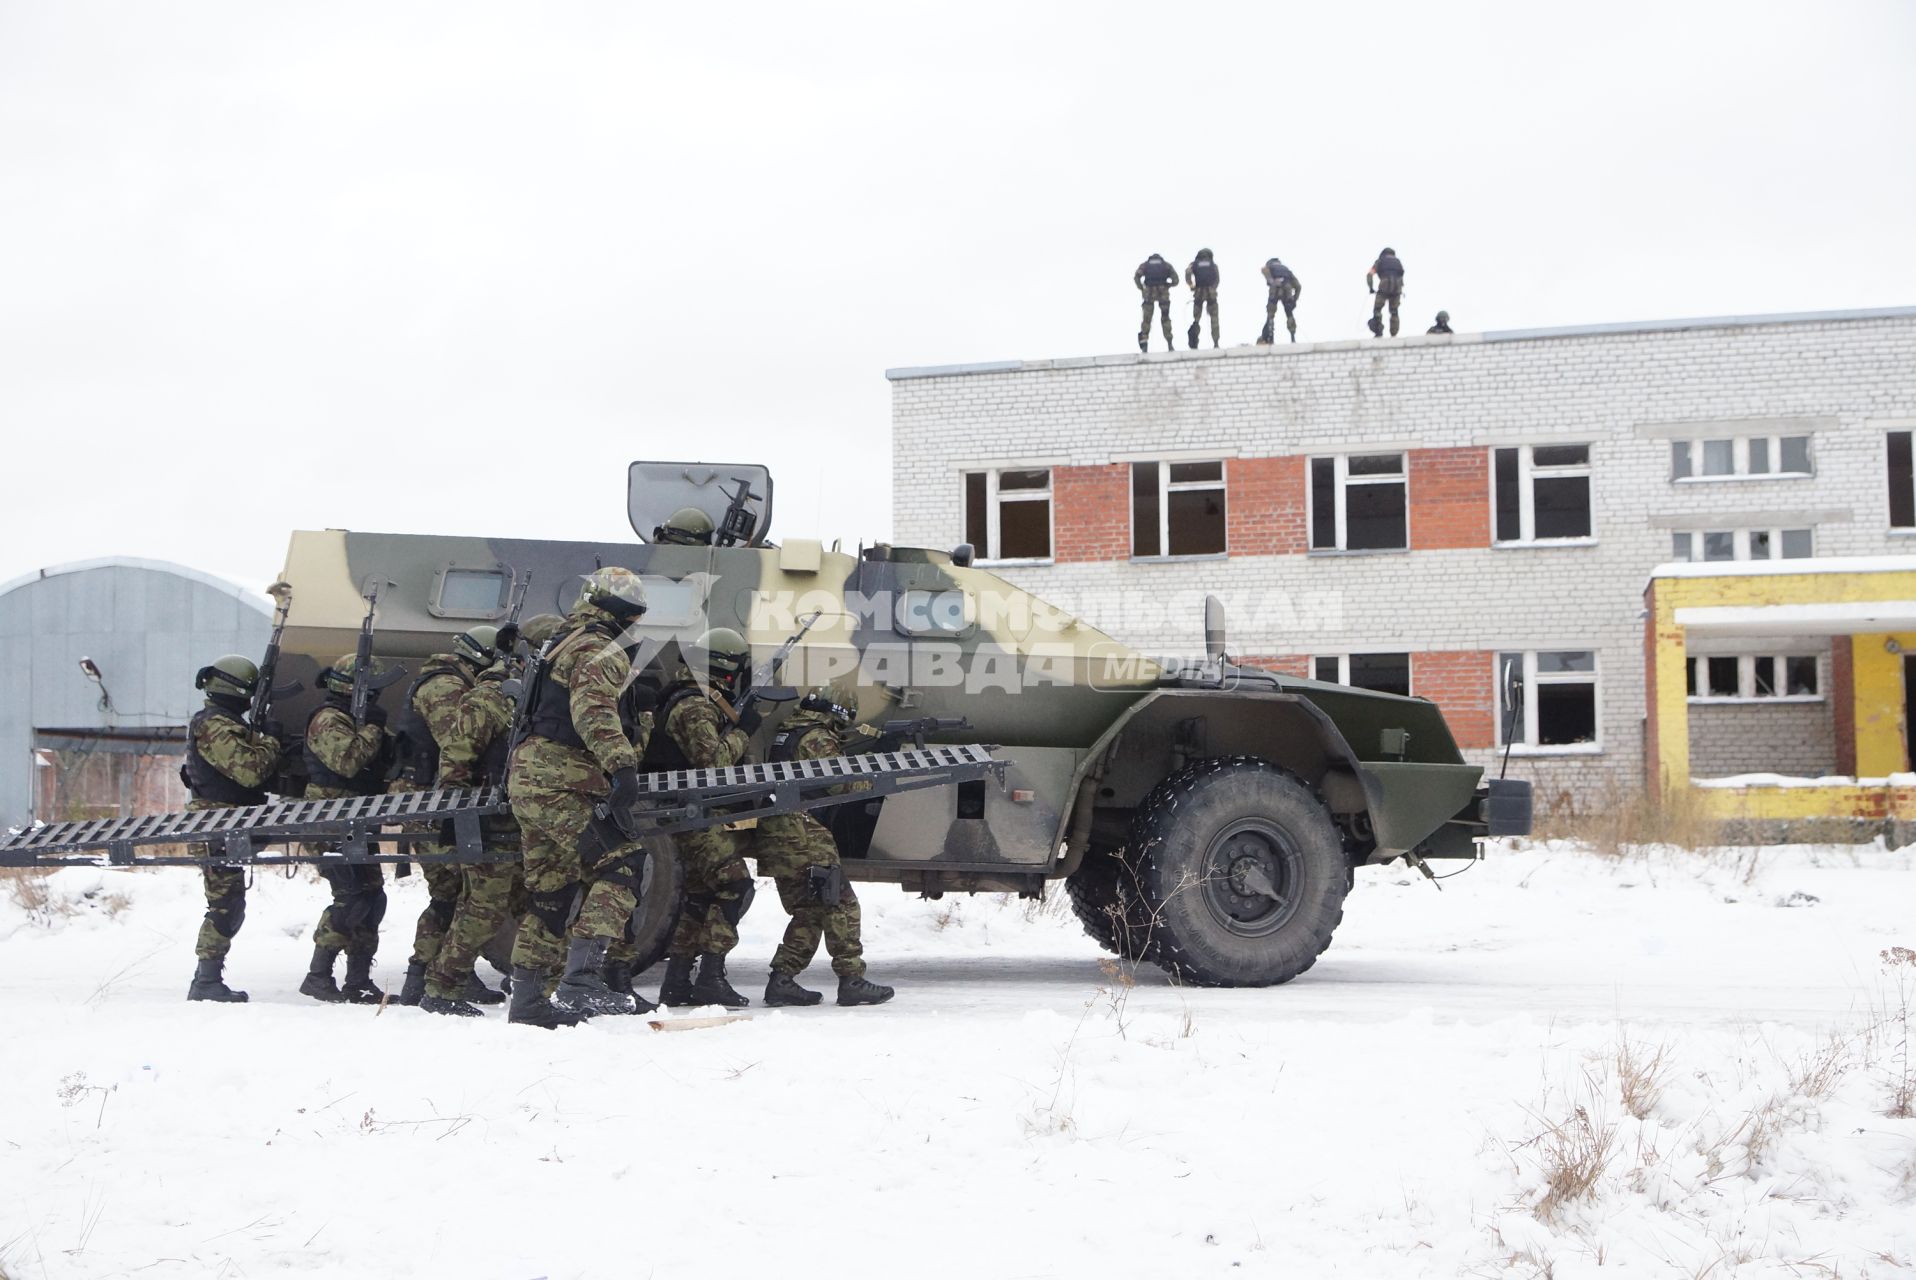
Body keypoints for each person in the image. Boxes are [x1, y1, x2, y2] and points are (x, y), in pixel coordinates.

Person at [505, 570, 655, 1027]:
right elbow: (592, 708)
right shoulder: (597, 647)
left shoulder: (557, 640)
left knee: (552, 892)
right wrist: (622, 763)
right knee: (624, 864)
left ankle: (529, 1002)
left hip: (529, 778)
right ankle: (579, 984)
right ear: (625, 612)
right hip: (561, 780)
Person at [418, 613, 568, 1017]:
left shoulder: (538, 692)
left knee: (531, 906)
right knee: (483, 910)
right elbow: (456, 756)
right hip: (486, 820)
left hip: (518, 821)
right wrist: (459, 816)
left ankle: (549, 983)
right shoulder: (492, 695)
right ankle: (442, 988)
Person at [649, 627, 764, 1010]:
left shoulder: (692, 699)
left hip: (686, 811)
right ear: (723, 671)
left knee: (699, 897)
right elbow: (712, 764)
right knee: (735, 885)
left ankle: (677, 981)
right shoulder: (694, 705)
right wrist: (743, 732)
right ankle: (711, 975)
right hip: (687, 814)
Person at [756, 689, 894, 1007]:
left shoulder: (792, 731)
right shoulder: (817, 737)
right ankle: (851, 980)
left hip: (778, 831)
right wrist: (878, 774)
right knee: (841, 902)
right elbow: (840, 783)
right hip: (800, 832)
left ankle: (782, 981)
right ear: (838, 713)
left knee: (810, 911)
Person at [390, 624, 503, 1007]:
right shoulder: (441, 685)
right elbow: (456, 739)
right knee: (449, 893)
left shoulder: (452, 681)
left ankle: (435, 977)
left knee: (453, 892)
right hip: (426, 803)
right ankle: (420, 977)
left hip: (433, 800)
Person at [179, 655, 285, 1002]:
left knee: (229, 903)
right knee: (225, 906)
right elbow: (250, 771)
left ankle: (207, 979)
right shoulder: (215, 726)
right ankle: (205, 982)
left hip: (227, 822)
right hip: (216, 824)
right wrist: (270, 741)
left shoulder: (222, 723)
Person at [298, 655, 394, 1004]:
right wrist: (372, 728)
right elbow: (348, 761)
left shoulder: (353, 719)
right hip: (329, 819)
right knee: (350, 897)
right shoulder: (328, 719)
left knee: (372, 897)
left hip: (356, 819)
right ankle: (318, 975)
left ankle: (358, 979)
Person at [1133, 253, 1179, 353]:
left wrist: (1142, 288)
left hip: (1149, 294)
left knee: (1146, 320)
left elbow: (1136, 277)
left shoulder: (1145, 265)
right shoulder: (1166, 265)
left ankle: (1144, 346)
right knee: (1165, 318)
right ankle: (1170, 343)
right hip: (1163, 293)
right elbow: (1176, 280)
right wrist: (1168, 285)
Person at [1259, 257, 1302, 344]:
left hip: (1274, 289)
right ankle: (1293, 338)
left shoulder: (1270, 266)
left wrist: (1271, 280)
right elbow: (1298, 286)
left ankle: (1270, 338)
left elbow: (1263, 269)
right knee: (1289, 313)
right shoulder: (1286, 269)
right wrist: (1294, 300)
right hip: (1287, 290)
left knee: (1270, 314)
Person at [1184, 248, 1220, 349]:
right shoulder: (1213, 264)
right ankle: (1216, 342)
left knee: (1196, 319)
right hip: (1211, 293)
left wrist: (1191, 285)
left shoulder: (1194, 264)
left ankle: (1194, 343)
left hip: (1198, 293)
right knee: (1214, 318)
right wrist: (1213, 288)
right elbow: (1217, 279)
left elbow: (1187, 272)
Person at [1366, 247, 1405, 338]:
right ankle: (1394, 334)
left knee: (1377, 310)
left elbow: (1369, 275)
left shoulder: (1380, 261)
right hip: (1397, 288)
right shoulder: (1397, 262)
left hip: (1384, 286)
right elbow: (1401, 274)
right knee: (1394, 311)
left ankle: (1378, 332)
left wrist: (1371, 288)